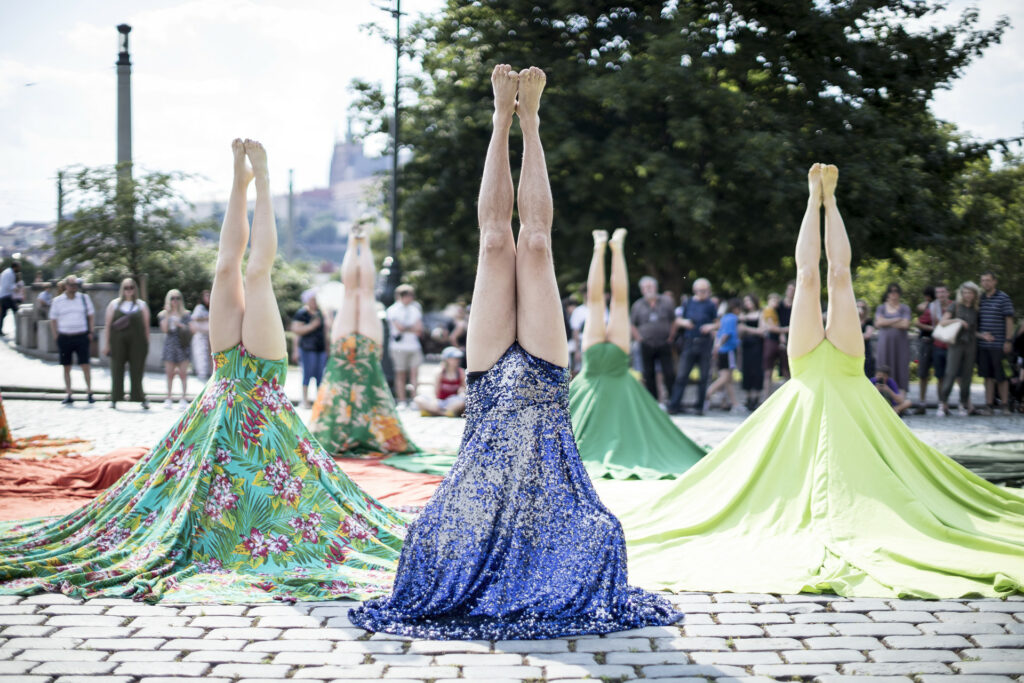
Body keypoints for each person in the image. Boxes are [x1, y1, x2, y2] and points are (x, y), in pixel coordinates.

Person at [351, 66, 680, 639]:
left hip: (543, 399)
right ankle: (502, 116)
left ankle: (529, 120)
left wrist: (529, 121)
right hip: (489, 399)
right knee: (495, 240)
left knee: (534, 241)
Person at [0, 140, 406, 603]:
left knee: (257, 273)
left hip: (259, 385)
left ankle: (265, 181)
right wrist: (239, 181)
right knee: (224, 268)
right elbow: (223, 265)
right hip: (224, 380)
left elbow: (258, 271)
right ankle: (240, 180)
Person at [622, 164, 1024, 598]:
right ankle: (813, 200)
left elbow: (842, 274)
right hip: (809, 372)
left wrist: (831, 203)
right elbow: (805, 274)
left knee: (839, 277)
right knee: (809, 278)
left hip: (848, 374)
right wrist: (812, 201)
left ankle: (830, 201)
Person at [569, 228, 704, 479]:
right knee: (616, 302)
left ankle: (601, 247)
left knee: (597, 302)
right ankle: (614, 247)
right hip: (611, 366)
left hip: (597, 367)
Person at [309, 227, 422, 458]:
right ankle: (362, 243)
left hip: (346, 353)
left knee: (353, 293)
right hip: (362, 353)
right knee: (364, 292)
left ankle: (355, 243)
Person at [667, 278, 717, 415]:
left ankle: (700, 407)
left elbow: (718, 323)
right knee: (682, 376)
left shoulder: (711, 305)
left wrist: (710, 326)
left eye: (706, 291)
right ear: (695, 291)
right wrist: (685, 323)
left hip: (705, 343)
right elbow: (677, 320)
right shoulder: (687, 303)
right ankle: (674, 405)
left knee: (704, 376)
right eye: (701, 291)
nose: (703, 293)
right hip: (689, 342)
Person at [101, 278, 150, 409]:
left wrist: (146, 344)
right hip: (117, 342)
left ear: (135, 289)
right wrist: (106, 344)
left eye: (131, 287)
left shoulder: (141, 305)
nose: (129, 290)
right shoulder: (114, 304)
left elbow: (146, 327)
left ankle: (139, 397)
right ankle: (115, 397)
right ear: (122, 289)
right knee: (116, 368)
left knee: (137, 370)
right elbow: (108, 325)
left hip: (138, 343)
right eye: (126, 287)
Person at [48, 276, 95, 405]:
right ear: (66, 286)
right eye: (71, 285)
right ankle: (69, 393)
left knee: (85, 364)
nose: (74, 288)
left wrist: (91, 332)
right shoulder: (58, 301)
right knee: (66, 366)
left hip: (81, 335)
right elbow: (53, 319)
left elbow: (91, 315)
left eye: (76, 285)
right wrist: (56, 336)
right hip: (65, 336)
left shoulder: (84, 298)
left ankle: (89, 391)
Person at [937, 282, 981, 417]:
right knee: (950, 373)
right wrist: (958, 321)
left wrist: (983, 336)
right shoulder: (955, 305)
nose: (967, 295)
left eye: (970, 292)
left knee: (967, 375)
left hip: (971, 344)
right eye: (965, 292)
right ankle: (942, 403)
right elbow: (942, 322)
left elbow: (974, 330)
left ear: (975, 294)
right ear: (961, 293)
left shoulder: (976, 309)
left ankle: (962, 404)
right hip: (956, 343)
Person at [630, 276, 676, 400]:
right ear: (642, 290)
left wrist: (671, 336)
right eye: (645, 287)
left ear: (655, 287)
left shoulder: (666, 302)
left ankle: (673, 401)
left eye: (650, 286)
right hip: (647, 344)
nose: (648, 289)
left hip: (664, 342)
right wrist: (639, 338)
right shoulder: (637, 305)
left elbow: (673, 320)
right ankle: (653, 401)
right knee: (648, 374)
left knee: (669, 373)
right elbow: (632, 324)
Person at [977, 270, 1015, 415]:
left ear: (994, 282)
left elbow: (1009, 320)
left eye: (988, 280)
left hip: (999, 344)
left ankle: (1005, 405)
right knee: (987, 376)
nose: (985, 283)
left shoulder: (1003, 298)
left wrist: (1008, 340)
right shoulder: (980, 299)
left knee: (1002, 376)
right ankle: (989, 405)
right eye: (983, 280)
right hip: (983, 345)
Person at [385, 284, 423, 407]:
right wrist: (410, 328)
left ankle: (414, 400)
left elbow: (419, 329)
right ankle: (402, 400)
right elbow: (399, 328)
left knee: (414, 374)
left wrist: (407, 328)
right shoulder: (393, 310)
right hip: (398, 347)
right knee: (400, 374)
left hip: (414, 346)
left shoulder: (415, 309)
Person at [290, 289, 328, 409]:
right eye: (312, 299)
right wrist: (312, 326)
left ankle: (319, 401)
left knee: (320, 376)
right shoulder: (302, 314)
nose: (314, 302)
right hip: (307, 348)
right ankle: (305, 400)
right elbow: (296, 331)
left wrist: (328, 347)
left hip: (320, 349)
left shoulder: (320, 314)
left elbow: (326, 331)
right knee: (307, 374)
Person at [705, 297, 742, 412]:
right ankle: (707, 393)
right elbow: (727, 334)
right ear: (736, 308)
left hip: (722, 351)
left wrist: (717, 347)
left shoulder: (724, 318)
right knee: (725, 378)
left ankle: (735, 404)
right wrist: (719, 346)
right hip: (728, 350)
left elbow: (719, 333)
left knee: (729, 380)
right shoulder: (733, 318)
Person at [874, 283, 911, 392]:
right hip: (885, 344)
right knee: (883, 366)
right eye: (891, 291)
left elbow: (905, 325)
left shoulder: (904, 308)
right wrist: (896, 319)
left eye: (896, 291)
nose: (894, 293)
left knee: (901, 367)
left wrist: (887, 322)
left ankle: (900, 397)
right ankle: (882, 394)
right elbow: (879, 323)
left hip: (900, 345)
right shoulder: (881, 308)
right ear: (888, 293)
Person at [158, 289, 191, 408]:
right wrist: (167, 315)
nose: (175, 301)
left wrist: (180, 325)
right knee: (169, 373)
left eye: (177, 298)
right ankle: (169, 397)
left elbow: (191, 329)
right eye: (172, 298)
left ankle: (183, 397)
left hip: (182, 344)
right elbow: (164, 330)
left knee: (183, 373)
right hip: (170, 344)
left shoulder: (186, 314)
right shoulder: (163, 314)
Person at [415, 346, 466, 417]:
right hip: (440, 401)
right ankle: (444, 413)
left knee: (463, 401)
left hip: (453, 401)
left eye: (458, 358)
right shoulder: (440, 372)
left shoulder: (461, 372)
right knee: (418, 400)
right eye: (454, 358)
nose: (457, 360)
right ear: (447, 359)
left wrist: (462, 391)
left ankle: (434, 413)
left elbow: (464, 389)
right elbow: (436, 393)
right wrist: (434, 402)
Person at [738, 294, 764, 411]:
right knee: (746, 370)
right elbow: (739, 333)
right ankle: (748, 398)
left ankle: (756, 398)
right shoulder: (743, 316)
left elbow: (761, 331)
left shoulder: (760, 314)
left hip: (757, 346)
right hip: (746, 346)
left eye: (749, 301)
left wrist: (747, 329)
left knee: (756, 370)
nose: (747, 303)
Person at [915, 286, 937, 412]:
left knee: (928, 374)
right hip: (928, 340)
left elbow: (920, 307)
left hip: (933, 341)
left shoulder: (934, 307)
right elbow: (920, 307)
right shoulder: (930, 306)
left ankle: (923, 401)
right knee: (923, 373)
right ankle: (922, 401)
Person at [190, 289, 213, 382]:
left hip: (211, 335)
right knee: (201, 355)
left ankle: (211, 373)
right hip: (201, 336)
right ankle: (202, 374)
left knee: (211, 355)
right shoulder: (199, 308)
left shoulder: (213, 307)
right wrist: (207, 317)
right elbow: (195, 318)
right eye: (206, 296)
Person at [0, 261, 22, 336]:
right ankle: (20, 331)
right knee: (16, 311)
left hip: (3, 295)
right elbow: (8, 285)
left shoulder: (6, 272)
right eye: (19, 267)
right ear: (15, 267)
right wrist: (15, 288)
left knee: (3, 314)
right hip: (7, 295)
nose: (19, 269)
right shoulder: (10, 273)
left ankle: (0, 330)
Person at [857, 298, 876, 378]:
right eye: (857, 307)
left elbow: (867, 335)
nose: (860, 310)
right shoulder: (849, 320)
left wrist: (853, 336)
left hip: (865, 351)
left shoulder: (869, 321)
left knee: (866, 373)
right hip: (852, 350)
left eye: (863, 308)